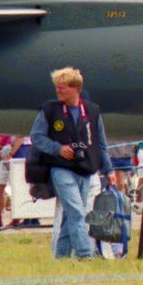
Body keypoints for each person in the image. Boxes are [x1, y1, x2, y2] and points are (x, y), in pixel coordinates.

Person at [30, 67, 111, 259]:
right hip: (61, 169)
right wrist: (57, 148)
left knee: (72, 214)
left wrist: (108, 169)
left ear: (75, 88)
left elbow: (101, 143)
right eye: (57, 87)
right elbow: (37, 137)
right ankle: (85, 255)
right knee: (76, 212)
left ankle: (62, 256)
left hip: (85, 169)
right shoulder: (49, 110)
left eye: (62, 88)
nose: (58, 91)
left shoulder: (92, 111)